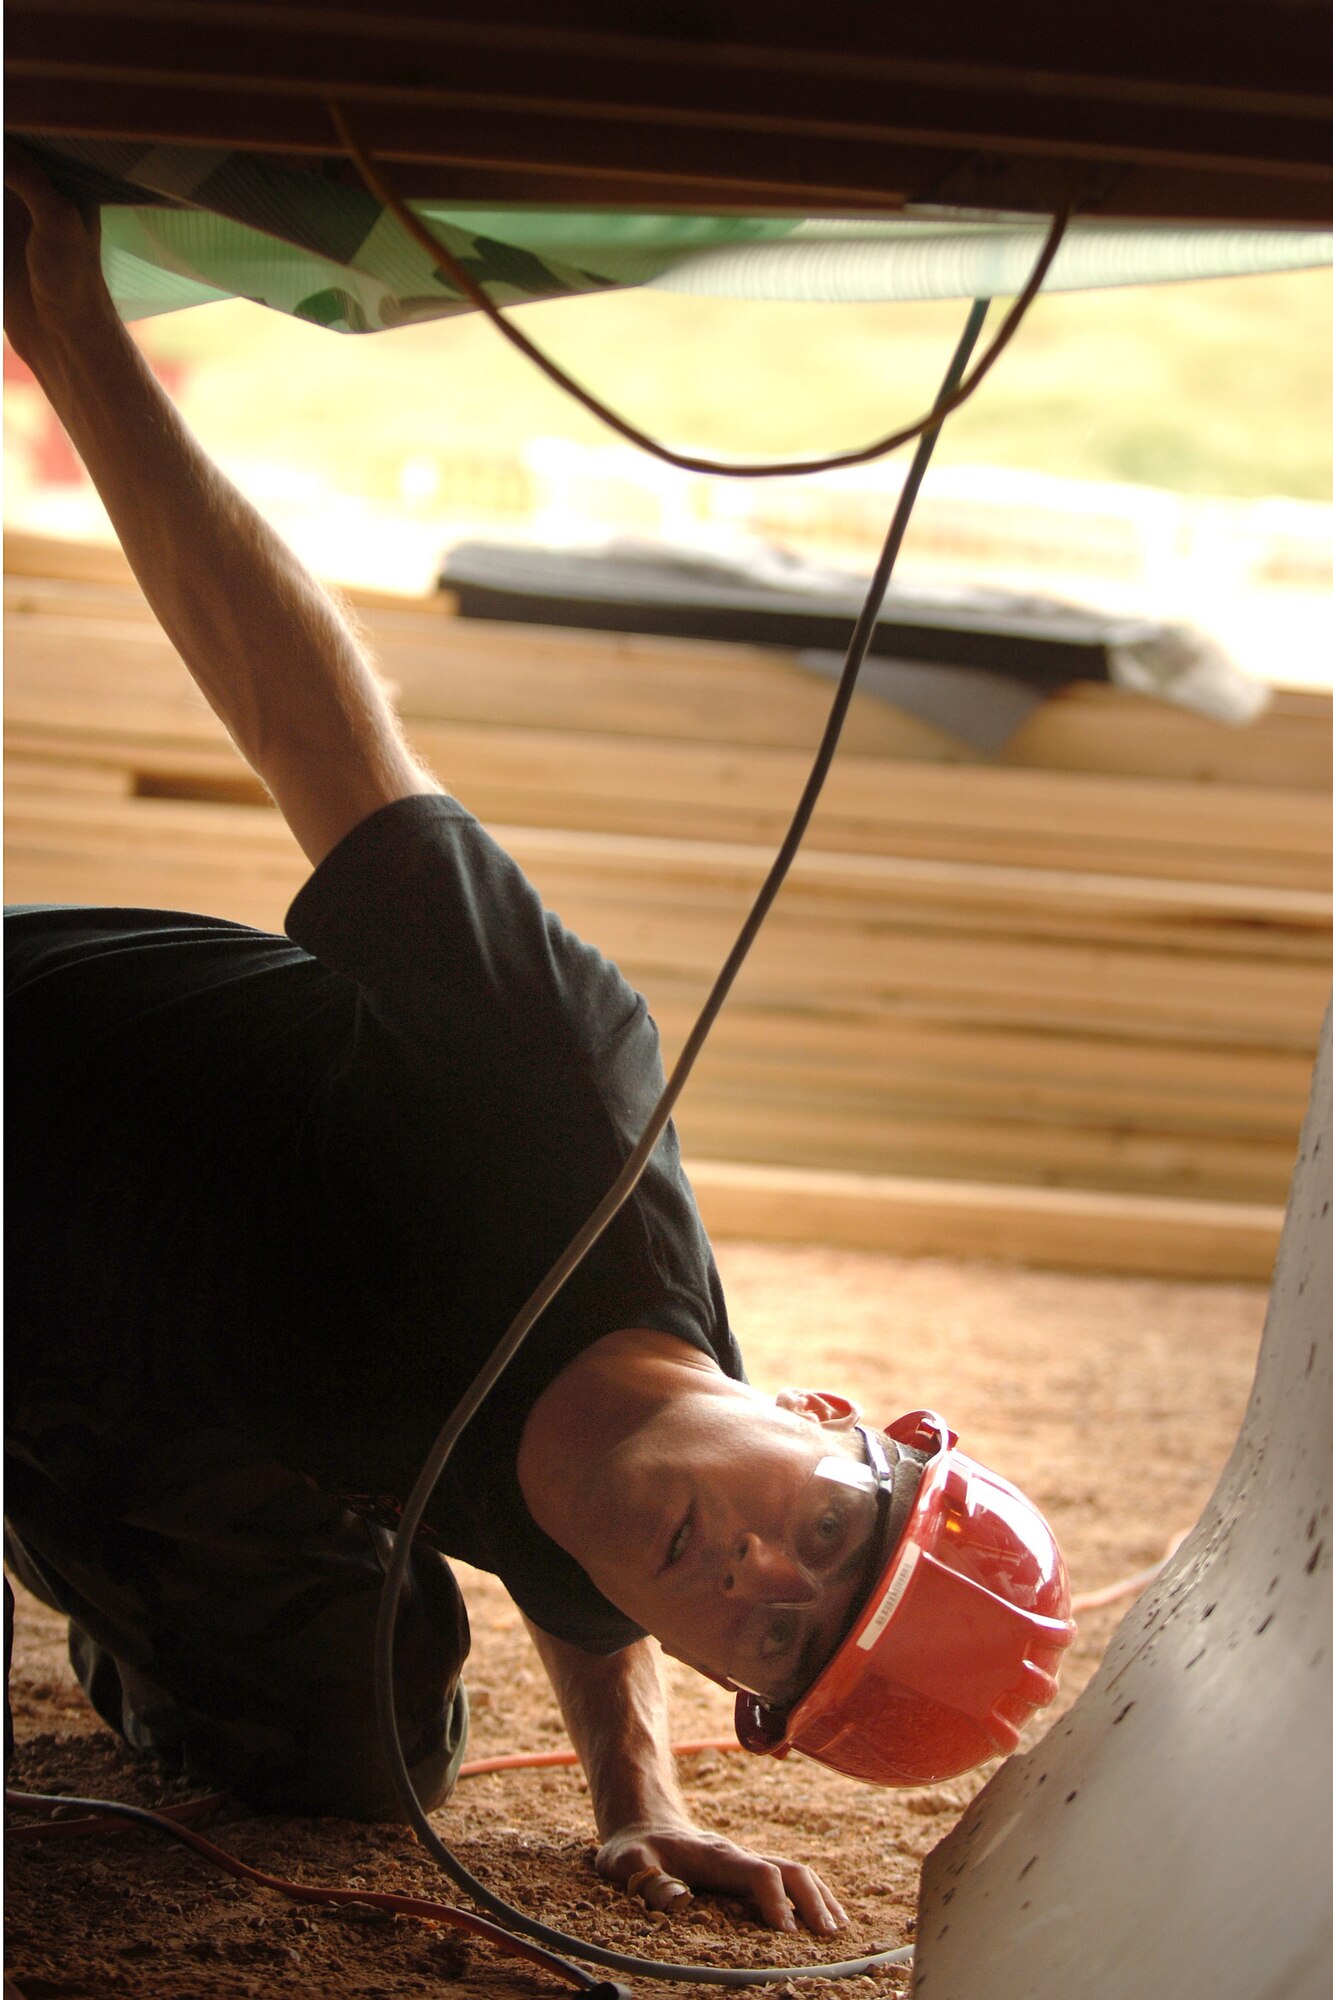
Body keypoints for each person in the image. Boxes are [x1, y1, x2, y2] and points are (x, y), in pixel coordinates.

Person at [4, 154, 1071, 1936]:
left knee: (360, 1758)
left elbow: (599, 1559)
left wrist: (635, 1802)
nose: (748, 1567)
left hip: (117, 1386)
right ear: (816, 1417)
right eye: (822, 1529)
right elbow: (307, 721)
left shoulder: (646, 1517)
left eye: (784, 1633)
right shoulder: (558, 1105)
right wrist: (69, 333)